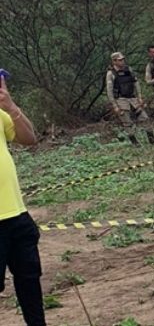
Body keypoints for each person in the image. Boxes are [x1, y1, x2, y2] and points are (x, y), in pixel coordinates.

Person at [0, 75, 47, 326]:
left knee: (30, 283)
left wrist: (11, 108)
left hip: (17, 217)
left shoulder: (1, 112)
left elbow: (29, 138)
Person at [105, 52, 154, 145]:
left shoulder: (128, 69)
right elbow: (109, 91)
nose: (122, 61)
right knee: (127, 122)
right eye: (120, 60)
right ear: (114, 61)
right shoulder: (110, 74)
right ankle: (135, 142)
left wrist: (139, 96)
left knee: (144, 118)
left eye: (123, 59)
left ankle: (152, 139)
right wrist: (114, 105)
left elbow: (136, 83)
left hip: (132, 98)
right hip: (120, 100)